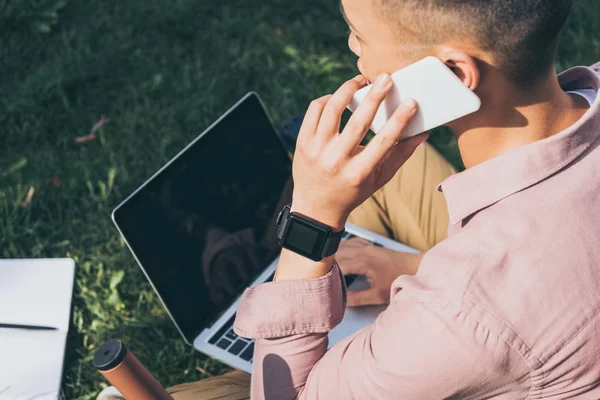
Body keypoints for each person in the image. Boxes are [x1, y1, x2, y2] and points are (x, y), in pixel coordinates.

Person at [99, 0, 600, 398]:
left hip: (490, 328)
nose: (350, 46)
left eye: (359, 33)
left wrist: (313, 220)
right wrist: (412, 264)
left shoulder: (464, 312)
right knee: (385, 162)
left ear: (452, 73)